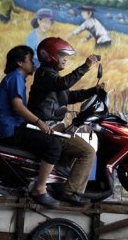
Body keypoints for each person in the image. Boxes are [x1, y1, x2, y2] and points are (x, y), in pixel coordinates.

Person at [28, 37, 101, 205]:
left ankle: (62, 186)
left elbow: (69, 96)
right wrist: (86, 66)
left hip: (57, 127)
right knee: (88, 152)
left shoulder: (52, 77)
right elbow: (63, 84)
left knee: (78, 152)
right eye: (62, 55)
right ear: (50, 55)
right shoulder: (45, 74)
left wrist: (94, 91)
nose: (65, 59)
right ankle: (71, 193)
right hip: (49, 129)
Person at [0, 45, 62, 208]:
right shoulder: (16, 77)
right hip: (12, 129)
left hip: (12, 127)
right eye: (30, 60)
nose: (34, 63)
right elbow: (17, 107)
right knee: (54, 146)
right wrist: (39, 122)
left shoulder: (15, 78)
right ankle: (40, 188)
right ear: (19, 62)